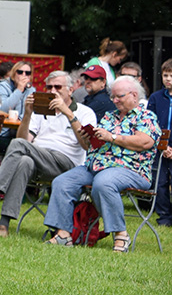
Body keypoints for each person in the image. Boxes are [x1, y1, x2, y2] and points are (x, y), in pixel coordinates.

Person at [0, 70, 96, 236]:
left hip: (66, 165)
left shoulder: (85, 112)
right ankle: (4, 225)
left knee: (19, 146)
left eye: (57, 87)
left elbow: (86, 145)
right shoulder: (41, 109)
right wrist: (28, 113)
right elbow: (24, 140)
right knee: (24, 161)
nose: (52, 91)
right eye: (49, 87)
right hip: (38, 160)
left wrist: (68, 113)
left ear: (70, 90)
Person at [43, 76, 159, 251]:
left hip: (132, 169)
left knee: (104, 182)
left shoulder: (146, 116)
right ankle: (63, 234)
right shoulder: (109, 117)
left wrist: (112, 137)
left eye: (119, 96)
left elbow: (144, 142)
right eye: (113, 97)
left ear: (134, 95)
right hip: (96, 165)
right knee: (62, 181)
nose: (115, 100)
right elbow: (88, 146)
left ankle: (121, 234)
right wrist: (89, 137)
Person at [146, 58, 172, 228]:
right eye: (165, 75)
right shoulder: (156, 97)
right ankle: (164, 217)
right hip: (160, 148)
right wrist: (162, 146)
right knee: (160, 183)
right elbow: (150, 123)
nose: (168, 79)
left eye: (171, 75)